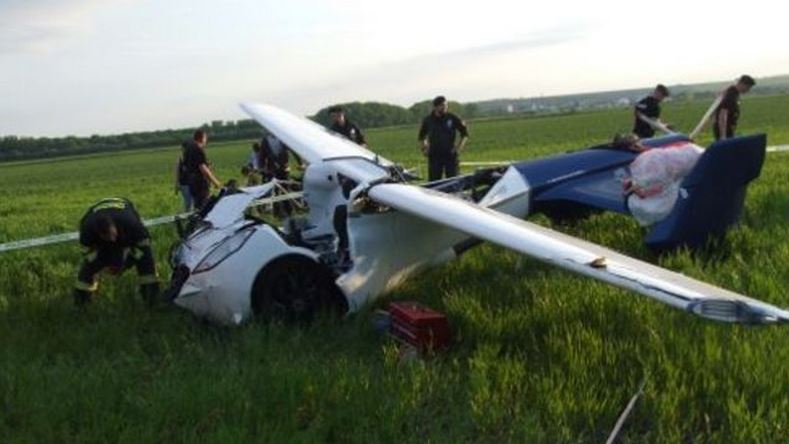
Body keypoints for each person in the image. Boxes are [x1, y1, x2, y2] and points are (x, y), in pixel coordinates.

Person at [73, 198, 159, 306]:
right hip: (96, 213)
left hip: (123, 207)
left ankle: (152, 297)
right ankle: (82, 302)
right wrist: (101, 263)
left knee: (146, 261)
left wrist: (127, 261)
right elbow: (86, 252)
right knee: (88, 268)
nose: (112, 239)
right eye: (107, 237)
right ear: (98, 234)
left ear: (114, 227)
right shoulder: (87, 229)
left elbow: (144, 246)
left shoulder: (132, 224)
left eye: (112, 235)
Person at [418, 96, 469, 181]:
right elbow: (421, 136)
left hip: (450, 155)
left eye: (446, 105)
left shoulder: (452, 118)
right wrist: (424, 148)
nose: (445, 107)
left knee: (454, 182)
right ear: (436, 107)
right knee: (434, 183)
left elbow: (465, 134)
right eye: (442, 105)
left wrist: (458, 148)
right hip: (434, 155)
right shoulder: (428, 120)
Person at [183, 129, 222, 209]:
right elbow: (203, 168)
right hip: (200, 183)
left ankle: (198, 220)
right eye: (205, 138)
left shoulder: (188, 148)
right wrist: (215, 182)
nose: (206, 141)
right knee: (204, 207)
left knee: (197, 206)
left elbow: (185, 166)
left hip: (191, 182)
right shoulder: (198, 149)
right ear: (202, 138)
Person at [713, 75, 756, 140]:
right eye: (748, 87)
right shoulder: (731, 95)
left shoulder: (734, 93)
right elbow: (722, 114)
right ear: (742, 84)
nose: (748, 90)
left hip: (729, 129)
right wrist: (723, 135)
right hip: (725, 131)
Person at [173, 142, 193, 212]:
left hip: (193, 184)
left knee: (192, 202)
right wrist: (176, 185)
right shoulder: (180, 159)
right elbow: (176, 173)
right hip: (184, 184)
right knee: (189, 202)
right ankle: (186, 216)